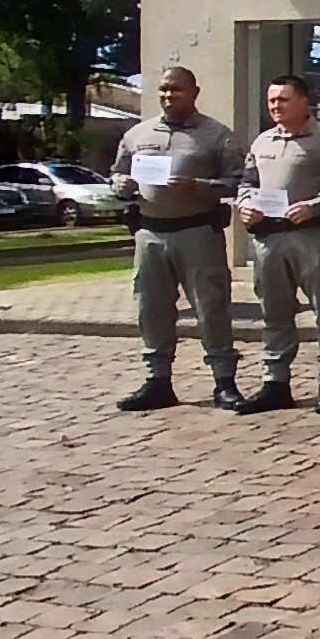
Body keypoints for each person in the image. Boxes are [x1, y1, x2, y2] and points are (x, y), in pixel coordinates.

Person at [109, 65, 243, 412]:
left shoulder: (217, 135)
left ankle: (224, 382)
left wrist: (199, 187)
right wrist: (120, 184)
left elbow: (238, 182)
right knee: (151, 308)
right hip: (150, 233)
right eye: (164, 90)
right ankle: (157, 381)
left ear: (194, 92)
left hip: (197, 233)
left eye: (177, 90)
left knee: (211, 308)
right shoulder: (137, 134)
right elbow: (118, 173)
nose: (169, 96)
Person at [233, 73, 320, 414]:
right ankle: (275, 382)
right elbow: (246, 182)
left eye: (283, 99)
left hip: (314, 237)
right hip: (270, 238)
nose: (276, 106)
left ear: (303, 100)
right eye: (272, 100)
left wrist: (316, 206)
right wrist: (245, 204)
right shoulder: (262, 142)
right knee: (275, 313)